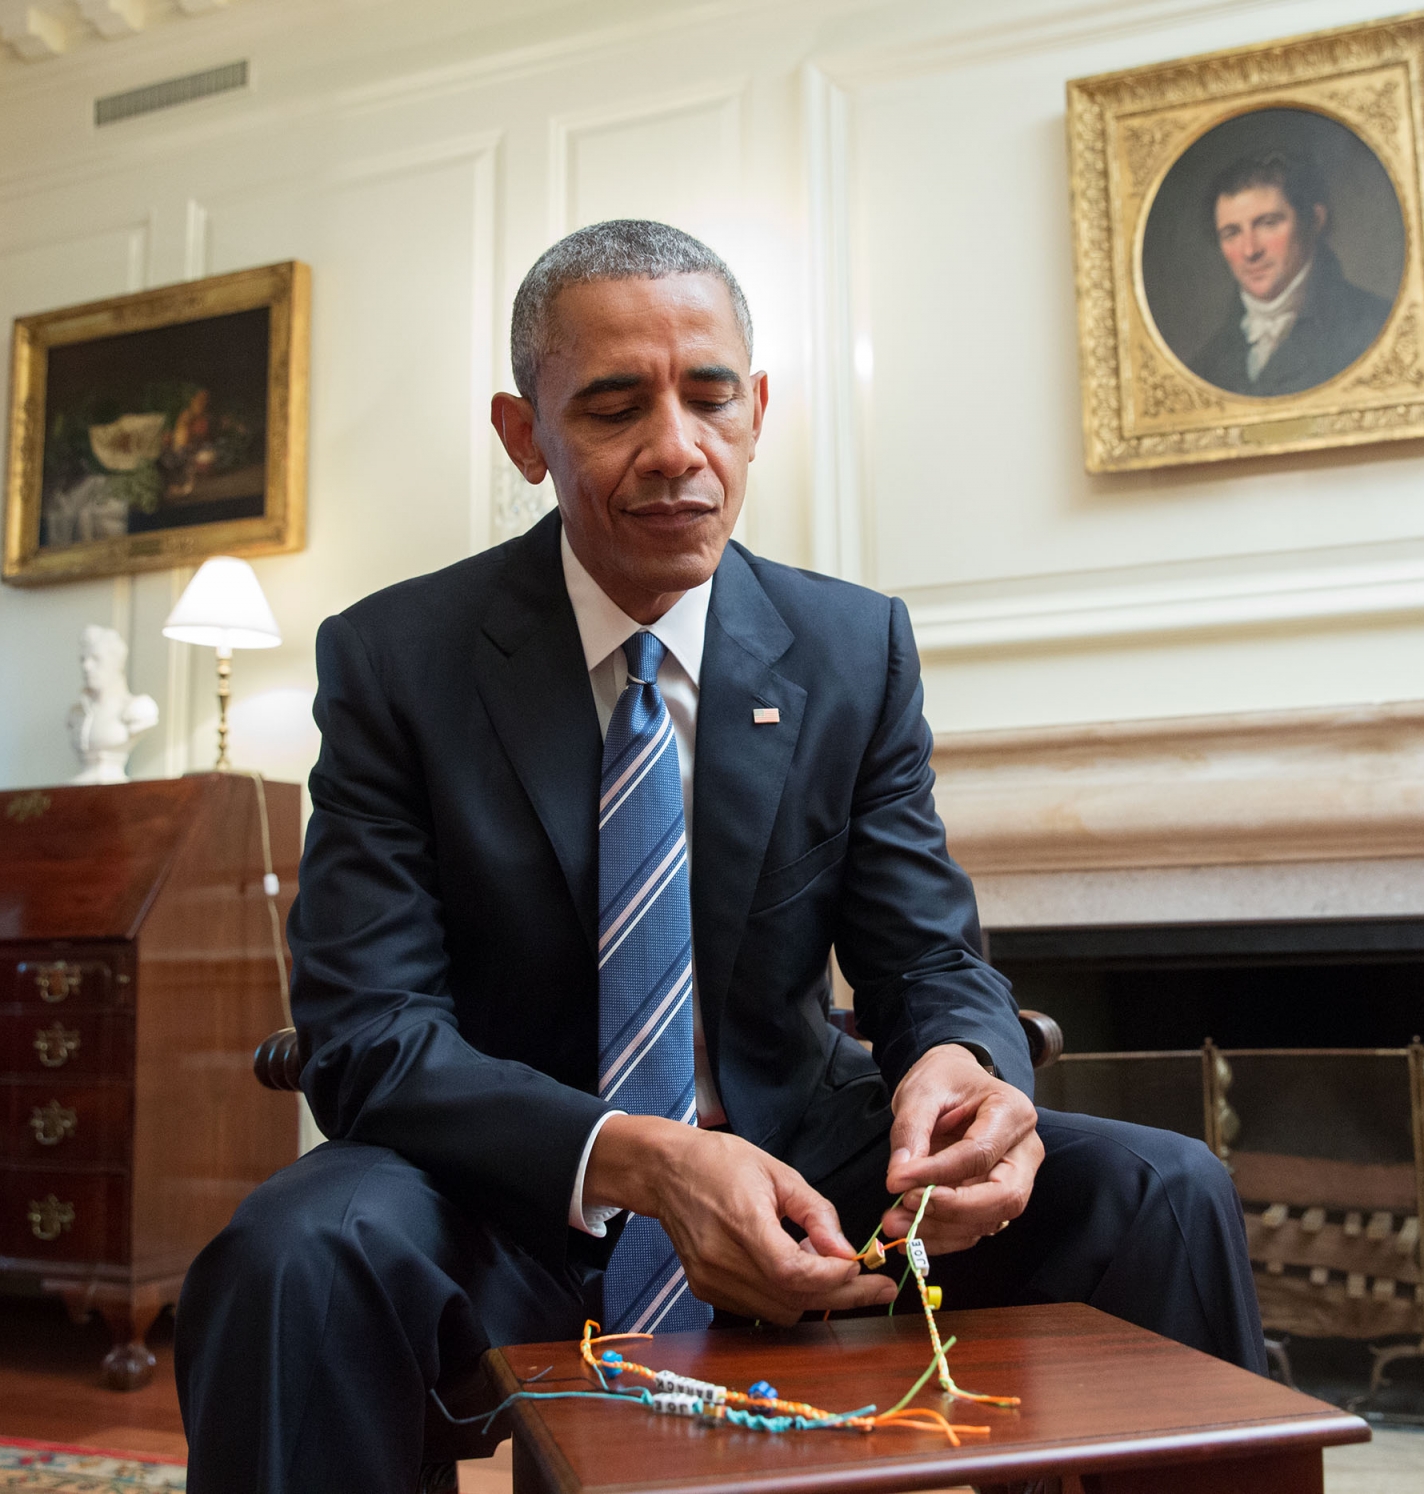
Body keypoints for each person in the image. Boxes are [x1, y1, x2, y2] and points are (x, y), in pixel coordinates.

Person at [174, 219, 1263, 1494]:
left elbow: (926, 959)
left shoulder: (851, 650)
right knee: (291, 1252)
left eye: (710, 397)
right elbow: (368, 1035)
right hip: (511, 1188)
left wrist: (970, 1077)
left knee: (1164, 1188)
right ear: (524, 437)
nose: (676, 450)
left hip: (808, 1169)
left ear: (757, 412)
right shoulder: (396, 662)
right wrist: (640, 1157)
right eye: (613, 407)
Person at [1186, 151, 1393, 396]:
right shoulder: (1203, 368)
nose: (1250, 251)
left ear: (1314, 220)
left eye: (1268, 223)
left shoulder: (1376, 327)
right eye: (1232, 233)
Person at [64, 624, 156, 784]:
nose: (86, 666)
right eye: (83, 659)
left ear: (116, 663)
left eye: (96, 659)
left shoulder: (138, 708)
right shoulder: (76, 713)